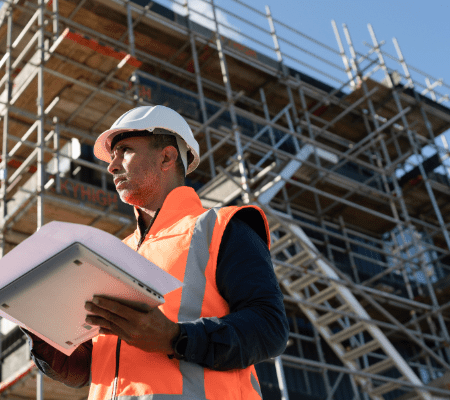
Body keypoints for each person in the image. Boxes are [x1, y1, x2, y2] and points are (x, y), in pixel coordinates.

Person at [23, 105, 288, 399]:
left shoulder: (221, 227)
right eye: (112, 157)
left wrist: (176, 338)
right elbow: (90, 370)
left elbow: (270, 328)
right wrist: (46, 337)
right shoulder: (113, 253)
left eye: (124, 151)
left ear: (166, 157)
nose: (112, 166)